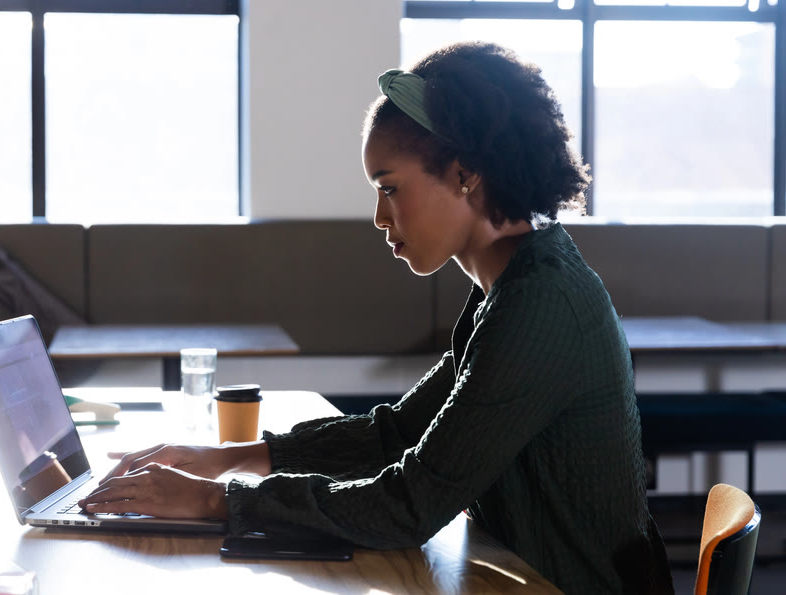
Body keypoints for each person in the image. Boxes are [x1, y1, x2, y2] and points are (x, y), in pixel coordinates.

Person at [79, 41, 674, 594]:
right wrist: (231, 457)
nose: (378, 216)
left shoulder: (539, 306)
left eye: (390, 188)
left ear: (465, 175)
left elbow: (408, 508)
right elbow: (399, 433)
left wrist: (219, 501)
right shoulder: (512, 285)